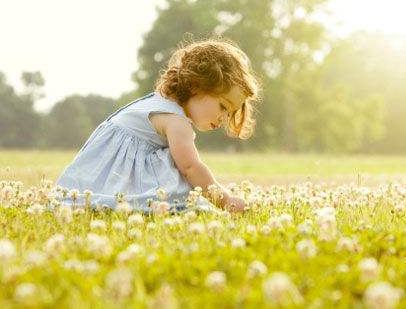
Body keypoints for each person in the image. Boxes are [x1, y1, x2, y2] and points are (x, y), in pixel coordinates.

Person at [55, 38, 261, 214]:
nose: (224, 117)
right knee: (177, 181)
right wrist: (225, 200)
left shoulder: (159, 102)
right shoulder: (176, 121)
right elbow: (190, 167)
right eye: (223, 106)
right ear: (197, 86)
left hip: (96, 177)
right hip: (118, 176)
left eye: (230, 113)